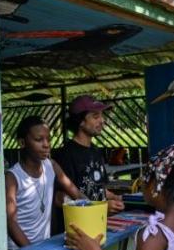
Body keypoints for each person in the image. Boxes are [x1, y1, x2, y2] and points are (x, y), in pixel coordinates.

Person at [6, 116, 84, 250]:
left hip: (43, 247)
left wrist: (97, 211)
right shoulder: (12, 178)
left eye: (48, 139)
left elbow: (77, 194)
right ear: (22, 142)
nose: (46, 144)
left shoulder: (51, 166)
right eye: (39, 139)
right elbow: (11, 223)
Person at [52, 95, 124, 233]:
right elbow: (59, 198)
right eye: (96, 116)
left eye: (102, 116)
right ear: (81, 121)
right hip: (76, 231)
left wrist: (115, 197)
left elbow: (96, 188)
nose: (102, 121)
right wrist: (101, 207)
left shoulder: (96, 151)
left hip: (96, 224)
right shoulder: (65, 155)